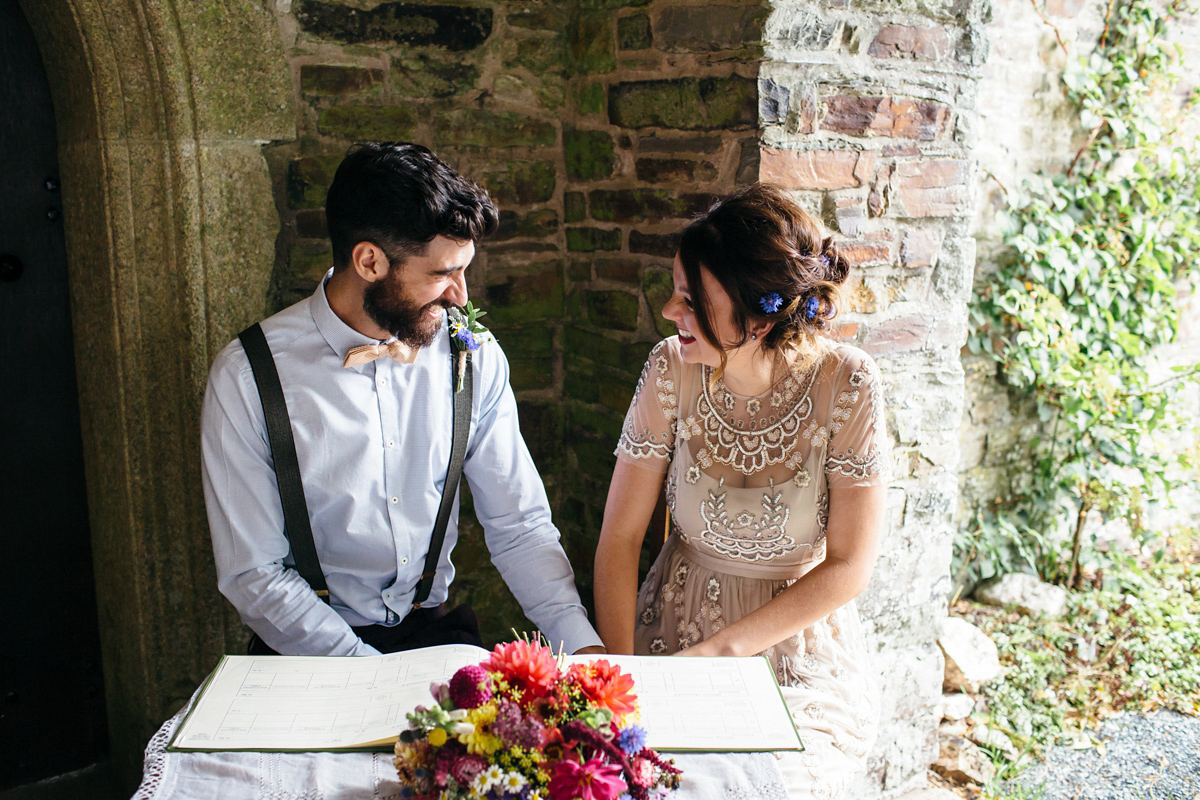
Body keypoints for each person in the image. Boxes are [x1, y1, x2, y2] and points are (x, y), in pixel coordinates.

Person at [201, 142, 604, 657]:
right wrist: (367, 676)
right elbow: (253, 574)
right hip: (303, 654)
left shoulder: (471, 355)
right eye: (442, 274)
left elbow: (519, 525)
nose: (461, 295)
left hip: (435, 639)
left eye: (464, 269)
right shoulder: (247, 376)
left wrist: (584, 647)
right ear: (369, 260)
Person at [593, 184, 887, 796]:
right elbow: (620, 538)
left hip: (793, 652)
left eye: (691, 299)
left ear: (758, 315)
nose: (672, 312)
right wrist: (621, 681)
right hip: (670, 624)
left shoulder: (849, 383)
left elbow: (851, 565)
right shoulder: (667, 367)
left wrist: (725, 653)